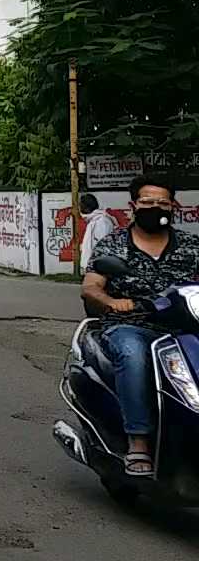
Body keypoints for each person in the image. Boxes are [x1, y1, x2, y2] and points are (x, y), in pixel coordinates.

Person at [81, 176, 199, 475]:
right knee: (133, 354)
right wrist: (112, 303)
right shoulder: (114, 244)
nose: (156, 208)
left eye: (163, 202)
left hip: (183, 326)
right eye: (148, 202)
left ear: (174, 206)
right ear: (134, 206)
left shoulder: (192, 245)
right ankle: (139, 442)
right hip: (131, 325)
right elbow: (91, 287)